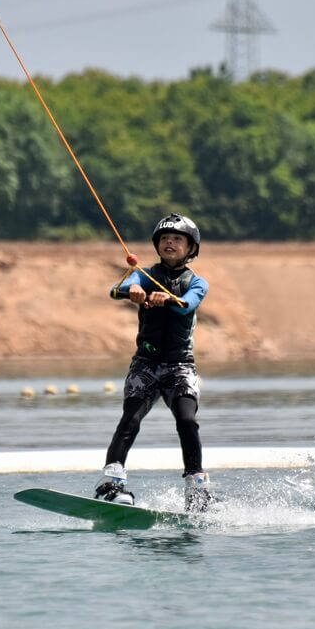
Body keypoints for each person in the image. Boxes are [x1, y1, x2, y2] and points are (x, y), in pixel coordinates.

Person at [95, 213, 214, 512]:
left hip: (180, 367)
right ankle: (111, 484)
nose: (169, 243)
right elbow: (116, 291)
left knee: (187, 421)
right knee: (130, 419)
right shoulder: (144, 275)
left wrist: (166, 298)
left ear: (191, 248)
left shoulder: (197, 283)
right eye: (164, 239)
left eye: (177, 239)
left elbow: (187, 305)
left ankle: (197, 489)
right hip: (145, 364)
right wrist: (133, 291)